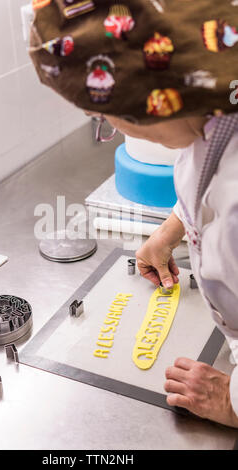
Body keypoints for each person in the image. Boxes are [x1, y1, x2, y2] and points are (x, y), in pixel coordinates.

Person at [29, 1, 238, 427]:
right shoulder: (215, 115)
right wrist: (171, 232)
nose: (116, 130)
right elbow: (205, 181)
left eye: (105, 117)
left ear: (150, 105)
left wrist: (233, 404)